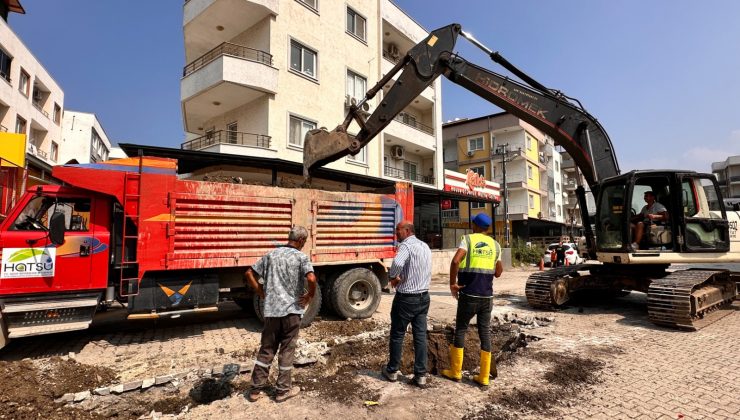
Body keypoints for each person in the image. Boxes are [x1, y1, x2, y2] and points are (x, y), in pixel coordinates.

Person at [244, 226, 317, 403]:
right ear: (300, 241)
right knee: (287, 350)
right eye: (304, 242)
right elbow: (312, 279)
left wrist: (261, 292)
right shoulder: (301, 257)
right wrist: (309, 296)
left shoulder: (271, 255)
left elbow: (248, 273)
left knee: (267, 349)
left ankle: (255, 390)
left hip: (271, 311)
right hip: (291, 312)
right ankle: (282, 390)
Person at [441, 213, 503, 387]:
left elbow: (455, 261)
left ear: (474, 225)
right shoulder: (496, 245)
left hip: (469, 295)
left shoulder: (467, 240)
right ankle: (483, 377)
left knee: (461, 329)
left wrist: (453, 284)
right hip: (487, 296)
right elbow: (498, 273)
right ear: (488, 228)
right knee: (485, 332)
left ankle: (455, 372)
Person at [382, 220, 432, 388]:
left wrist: (392, 277)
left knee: (397, 334)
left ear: (407, 230)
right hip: (423, 297)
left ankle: (392, 371)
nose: (396, 232)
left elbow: (396, 263)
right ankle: (420, 375)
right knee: (420, 336)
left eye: (398, 230)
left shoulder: (406, 246)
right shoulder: (425, 246)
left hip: (406, 298)